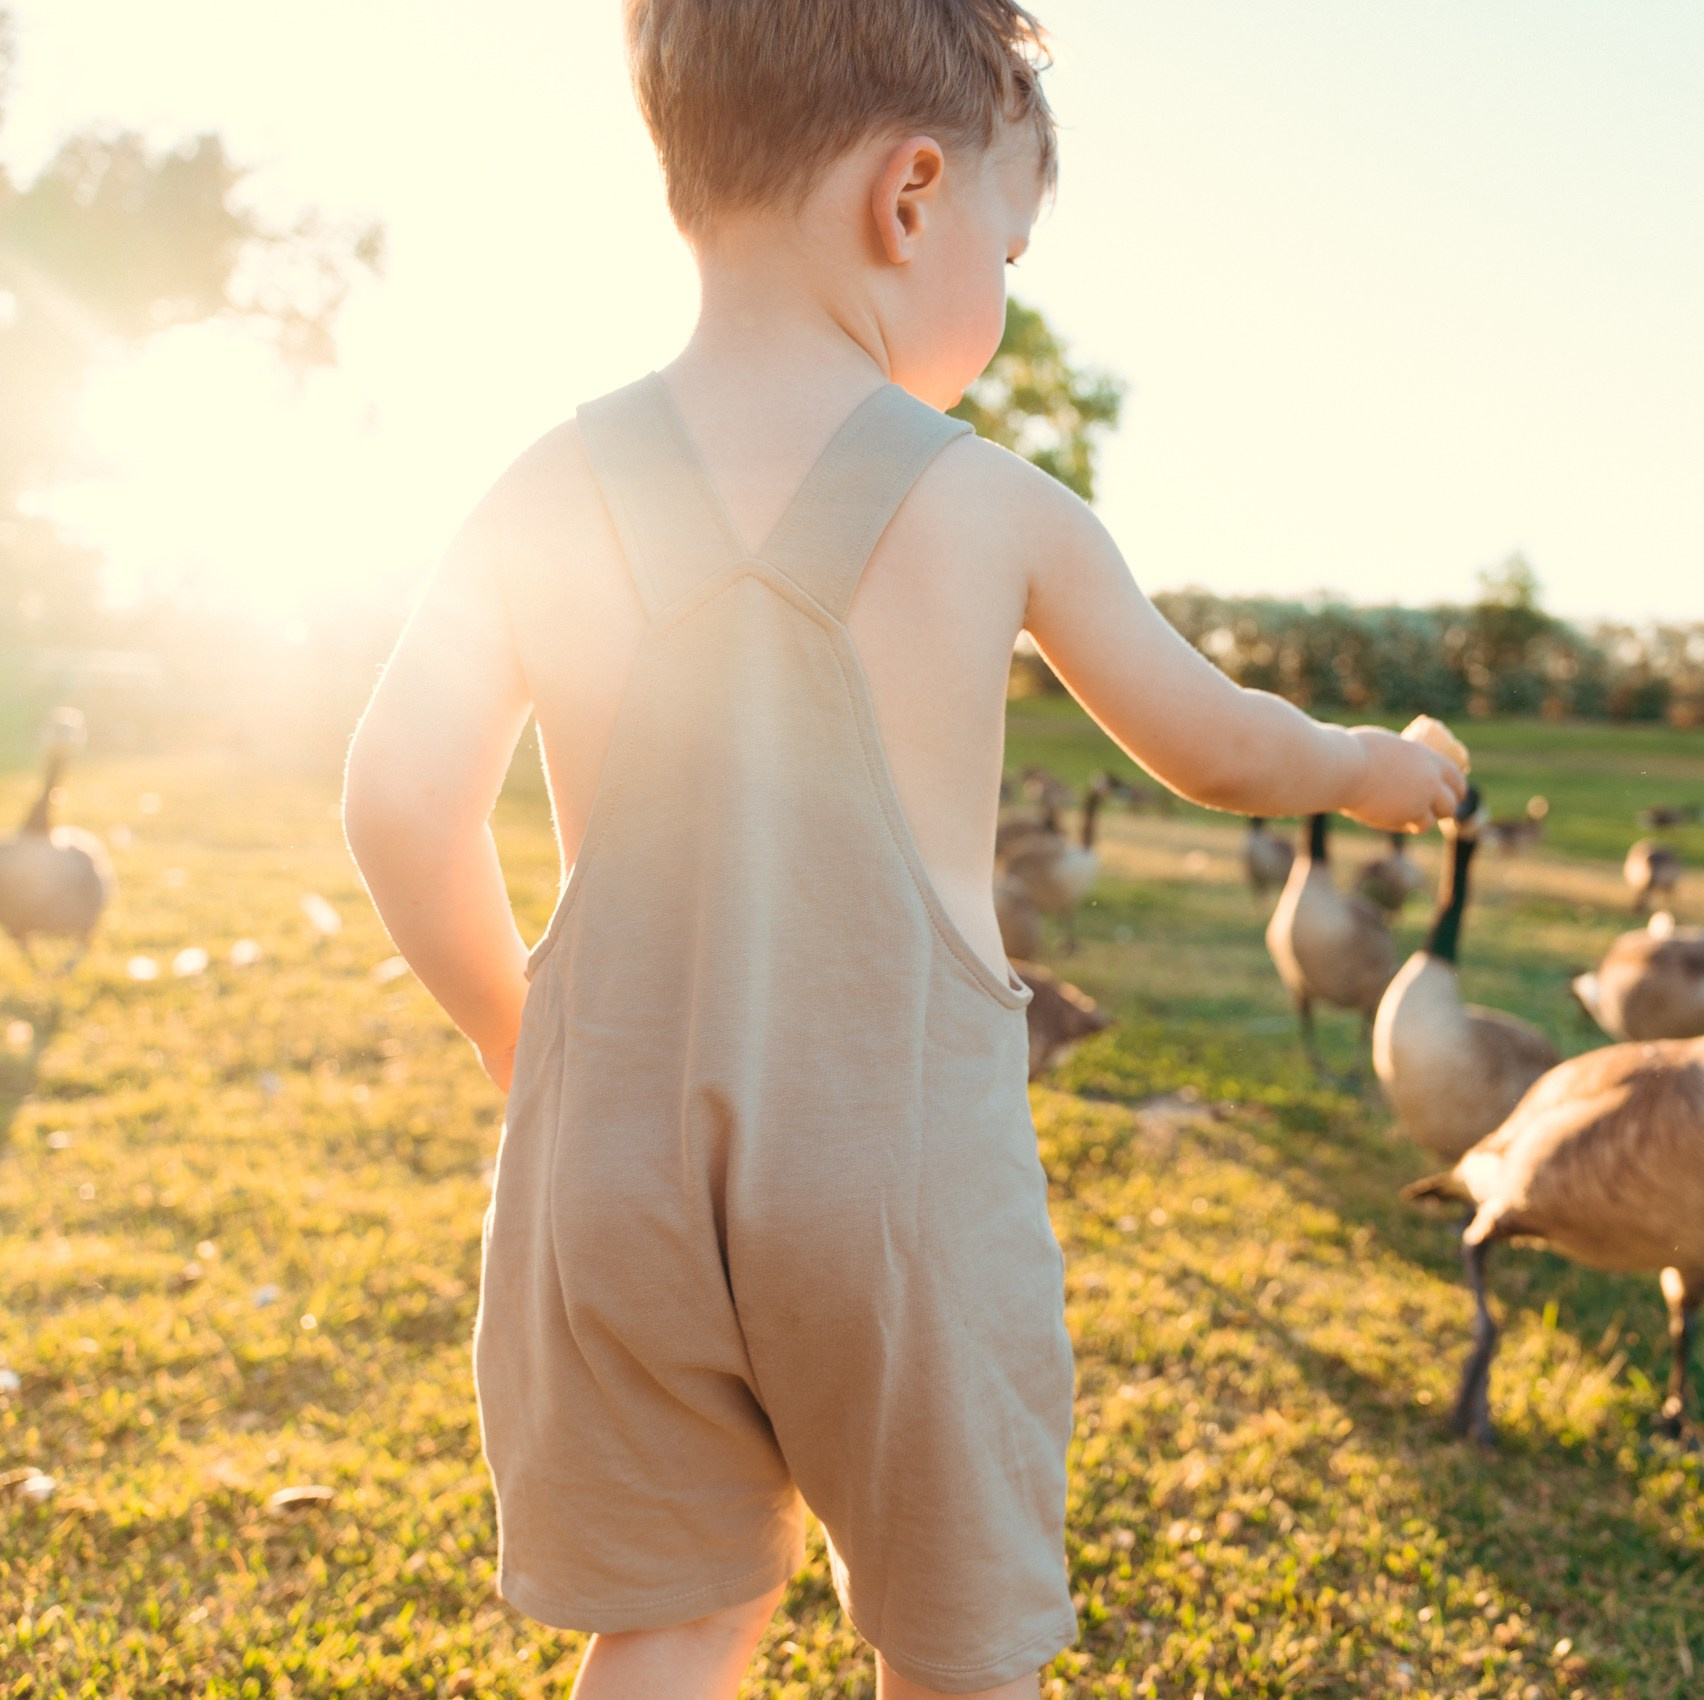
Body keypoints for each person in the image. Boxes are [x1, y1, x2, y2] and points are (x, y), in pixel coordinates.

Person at [340, 3, 1464, 1696]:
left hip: (612, 1163)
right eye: (1009, 252)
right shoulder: (990, 504)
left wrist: (523, 1038)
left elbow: (396, 800)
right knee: (954, 1642)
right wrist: (1376, 766)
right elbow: (1220, 744)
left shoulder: (542, 487)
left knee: (676, 1613)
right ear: (913, 197)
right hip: (900, 1170)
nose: (1001, 302)